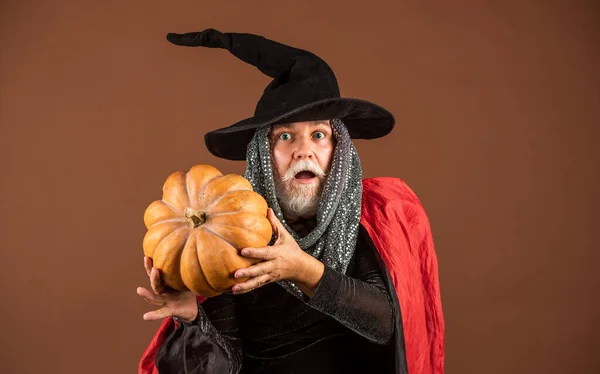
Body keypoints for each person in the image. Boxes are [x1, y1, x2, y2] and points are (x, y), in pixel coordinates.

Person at [137, 29, 445, 374]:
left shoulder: (378, 216)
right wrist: (195, 320)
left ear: (338, 150)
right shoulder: (230, 230)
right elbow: (226, 363)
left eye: (318, 135)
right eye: (285, 136)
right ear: (263, 154)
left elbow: (391, 326)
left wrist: (302, 269)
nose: (304, 150)